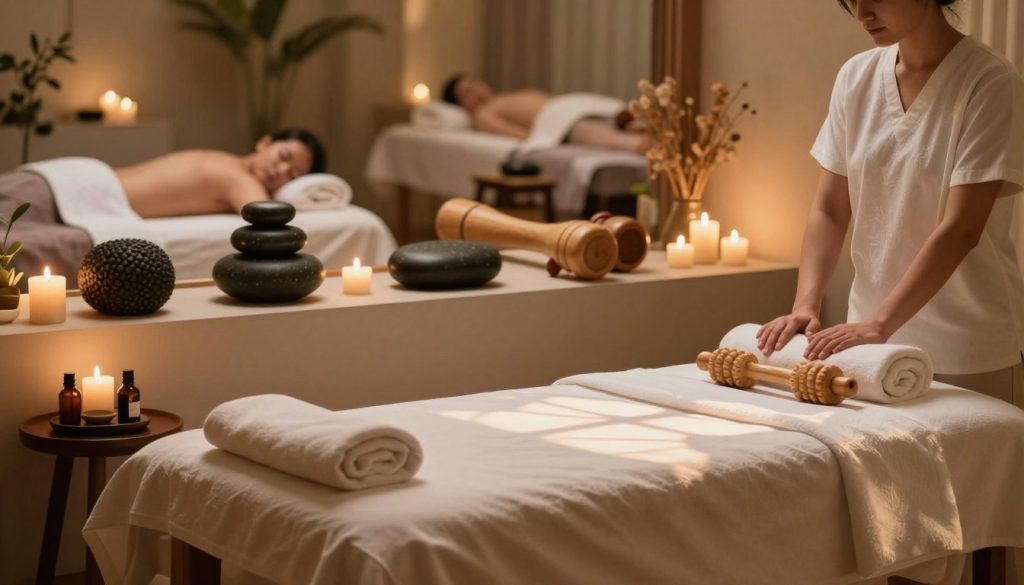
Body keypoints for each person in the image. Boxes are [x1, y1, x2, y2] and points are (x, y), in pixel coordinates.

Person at [757, 0, 1024, 405]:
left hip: (965, 348)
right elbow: (830, 208)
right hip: (865, 349)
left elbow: (962, 228)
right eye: (852, 0)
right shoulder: (855, 78)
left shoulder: (988, 80)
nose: (862, 14)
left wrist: (881, 324)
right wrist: (805, 305)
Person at [117, 127, 326, 218]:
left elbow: (267, 220)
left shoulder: (240, 178)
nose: (281, 171)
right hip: (101, 189)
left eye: (293, 175)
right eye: (283, 156)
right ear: (265, 142)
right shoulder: (236, 173)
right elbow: (268, 218)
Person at [441, 74, 650, 153]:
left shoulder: (503, 97)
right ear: (461, 104)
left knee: (617, 116)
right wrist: (539, 139)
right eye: (467, 92)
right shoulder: (483, 113)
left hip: (570, 106)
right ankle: (639, 144)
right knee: (589, 130)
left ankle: (639, 127)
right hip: (557, 120)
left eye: (475, 84)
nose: (476, 91)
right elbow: (506, 131)